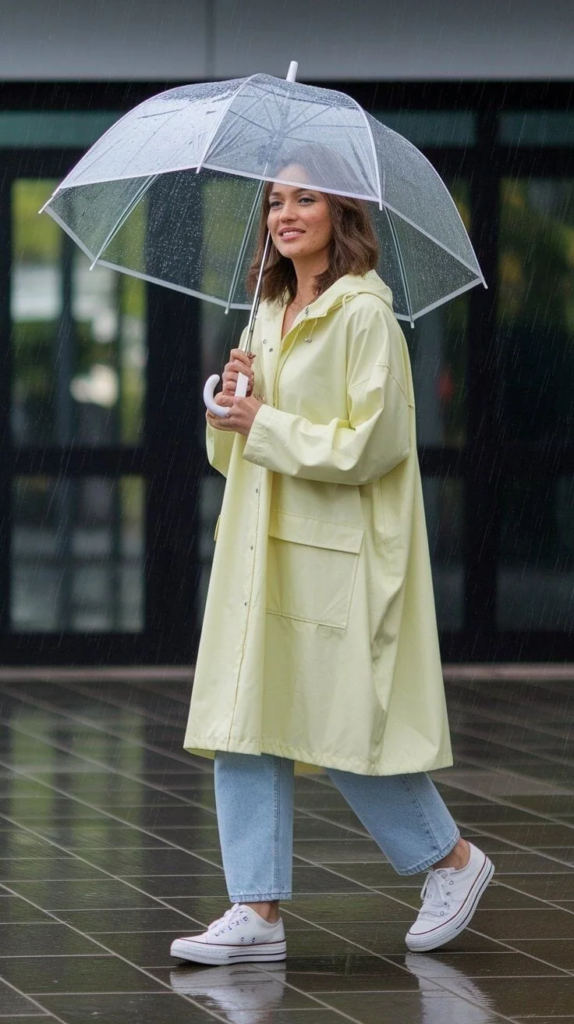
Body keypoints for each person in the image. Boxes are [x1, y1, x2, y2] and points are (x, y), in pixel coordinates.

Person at [170, 165, 493, 966]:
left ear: (341, 211)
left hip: (334, 553)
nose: (285, 213)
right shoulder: (269, 308)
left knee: (337, 721)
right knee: (244, 720)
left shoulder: (364, 315)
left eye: (304, 198)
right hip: (260, 545)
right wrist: (227, 406)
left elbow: (373, 444)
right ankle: (256, 909)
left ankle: (451, 862)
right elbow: (233, 448)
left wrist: (264, 419)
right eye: (276, 201)